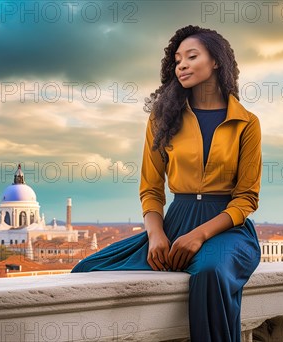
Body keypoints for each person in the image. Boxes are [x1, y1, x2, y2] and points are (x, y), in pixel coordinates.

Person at [71, 25, 262, 342]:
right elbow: (151, 188)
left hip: (226, 226)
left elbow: (246, 198)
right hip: (174, 221)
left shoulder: (247, 123)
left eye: (191, 56)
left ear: (216, 61)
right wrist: (156, 233)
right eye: (177, 60)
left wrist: (199, 235)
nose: (182, 65)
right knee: (88, 267)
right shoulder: (163, 118)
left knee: (210, 272)